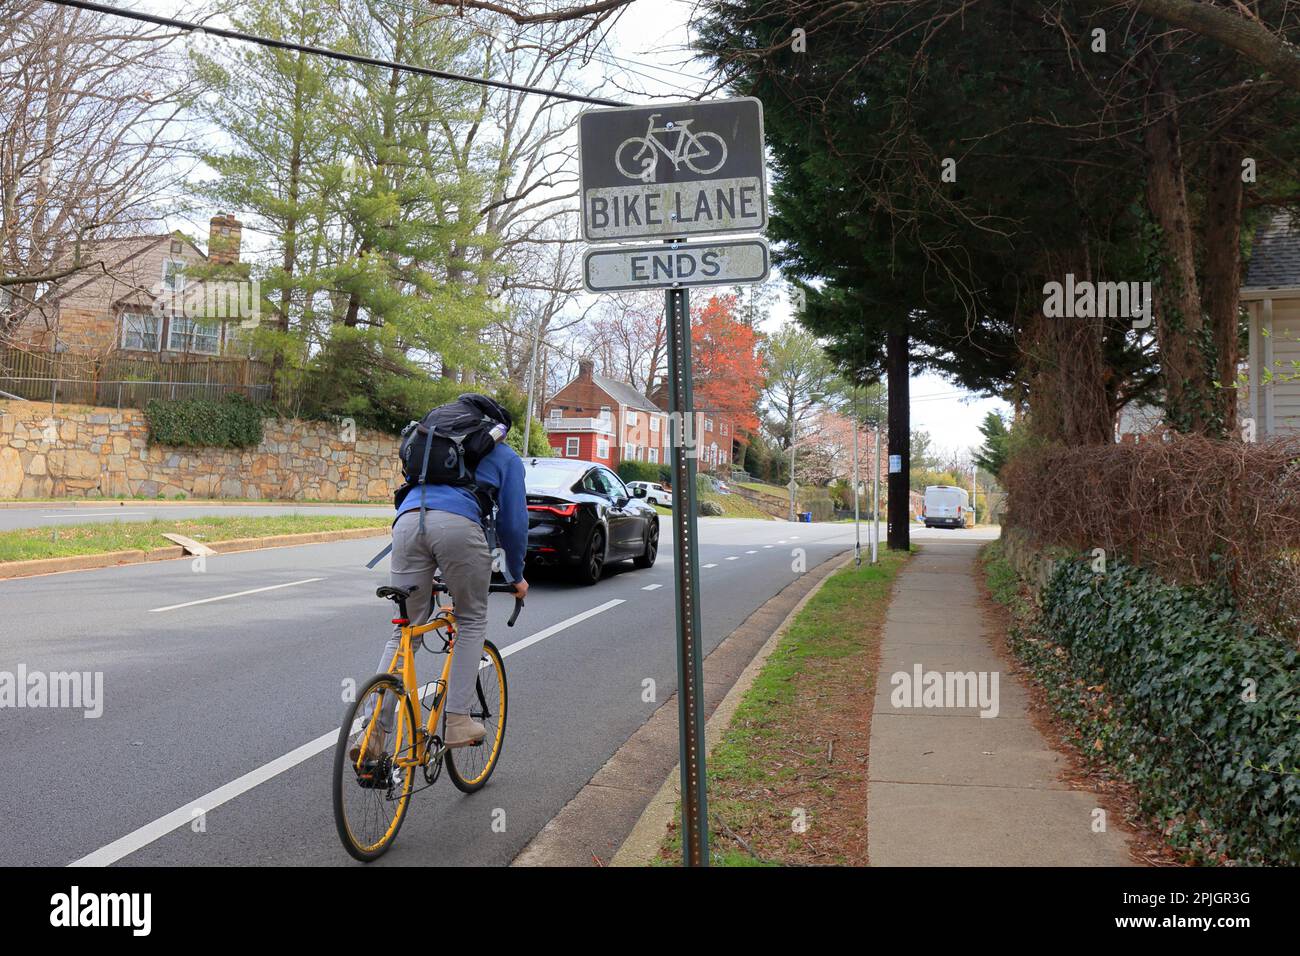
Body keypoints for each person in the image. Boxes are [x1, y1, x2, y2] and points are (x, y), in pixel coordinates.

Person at [363, 394, 528, 756]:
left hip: (406, 525)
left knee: (405, 628)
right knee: (471, 619)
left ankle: (373, 732)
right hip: (459, 528)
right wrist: (516, 575)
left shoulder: (429, 446)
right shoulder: (505, 457)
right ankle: (456, 721)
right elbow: (513, 524)